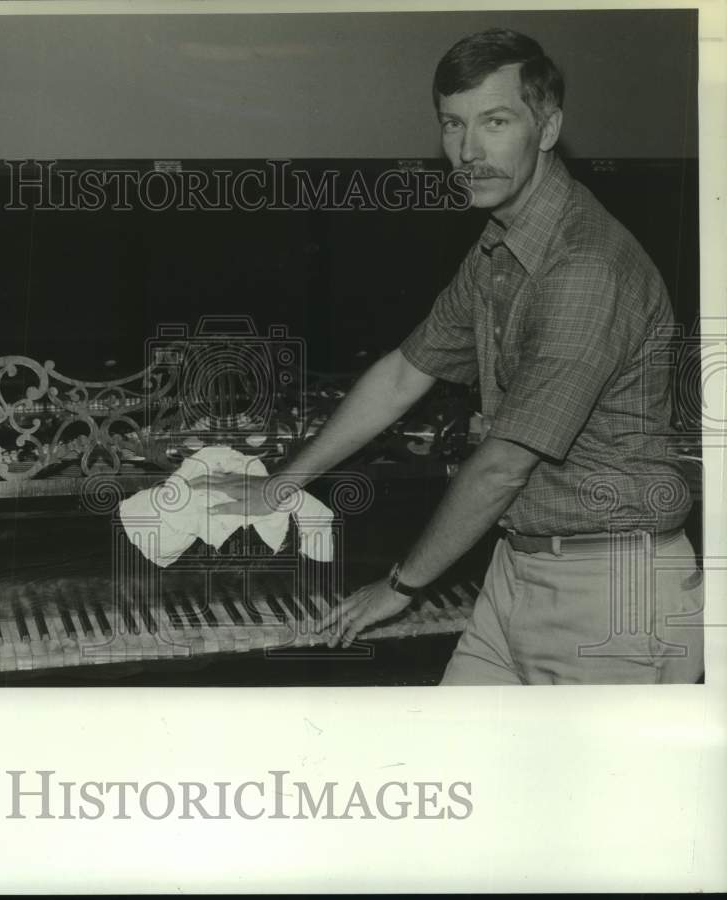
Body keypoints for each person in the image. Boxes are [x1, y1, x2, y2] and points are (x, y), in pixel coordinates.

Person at [208, 28, 704, 684]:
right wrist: (279, 485)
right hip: (518, 570)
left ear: (548, 128)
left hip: (612, 593)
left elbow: (501, 466)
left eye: (495, 122)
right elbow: (402, 373)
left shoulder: (585, 266)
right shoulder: (502, 244)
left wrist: (399, 586)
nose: (468, 152)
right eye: (452, 125)